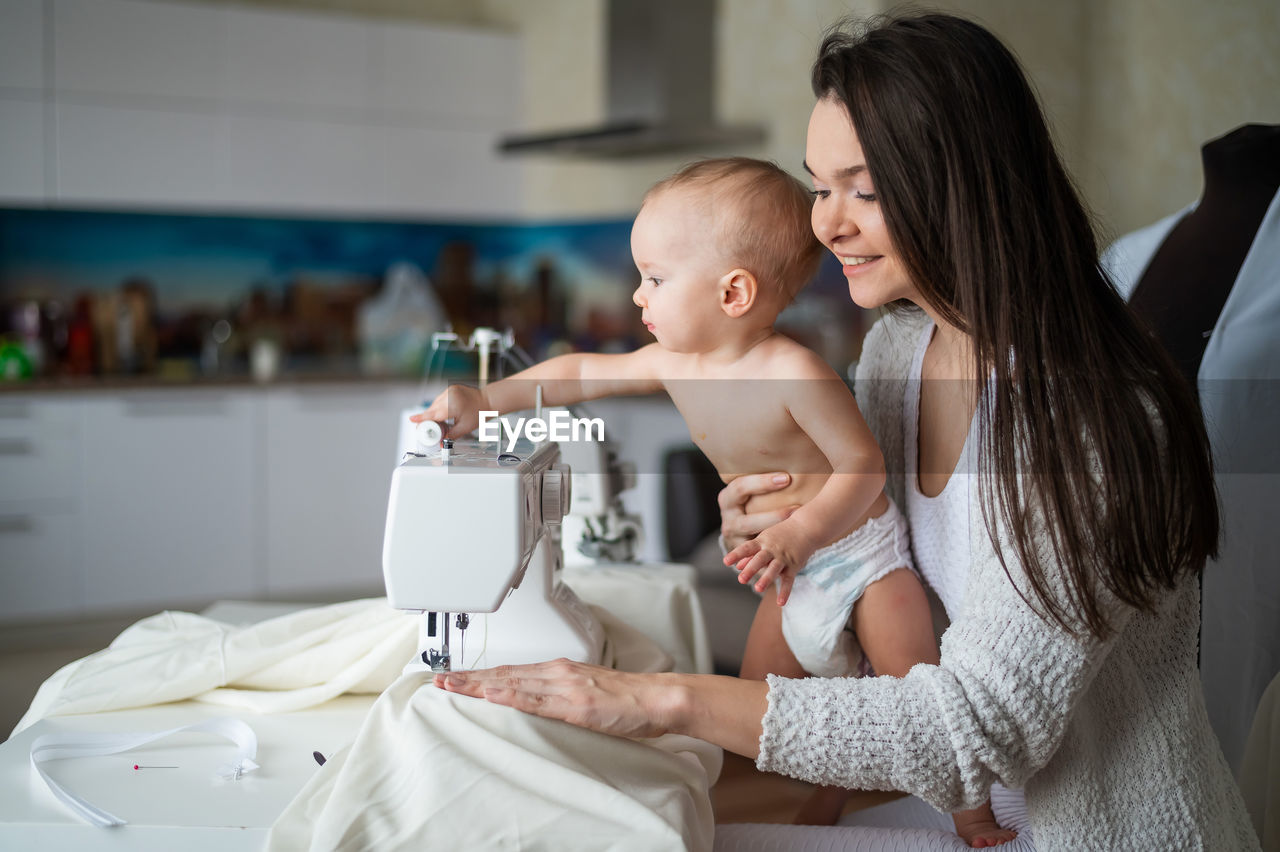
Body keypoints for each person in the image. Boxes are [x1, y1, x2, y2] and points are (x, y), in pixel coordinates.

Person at [434, 12, 1260, 850]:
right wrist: (779, 514)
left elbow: (976, 732)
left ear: (963, 187)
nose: (826, 224)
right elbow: (879, 563)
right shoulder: (899, 350)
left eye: (863, 190)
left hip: (1075, 831)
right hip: (945, 803)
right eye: (819, 187)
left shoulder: (1085, 419)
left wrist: (661, 699)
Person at [414, 156, 1013, 845]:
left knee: (908, 686)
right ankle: (803, 799)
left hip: (860, 560)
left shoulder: (793, 371)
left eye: (656, 279)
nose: (638, 296)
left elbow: (864, 468)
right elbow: (578, 372)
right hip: (787, 569)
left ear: (733, 294)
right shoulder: (672, 361)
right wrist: (485, 401)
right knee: (762, 706)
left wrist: (803, 534)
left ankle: (972, 813)